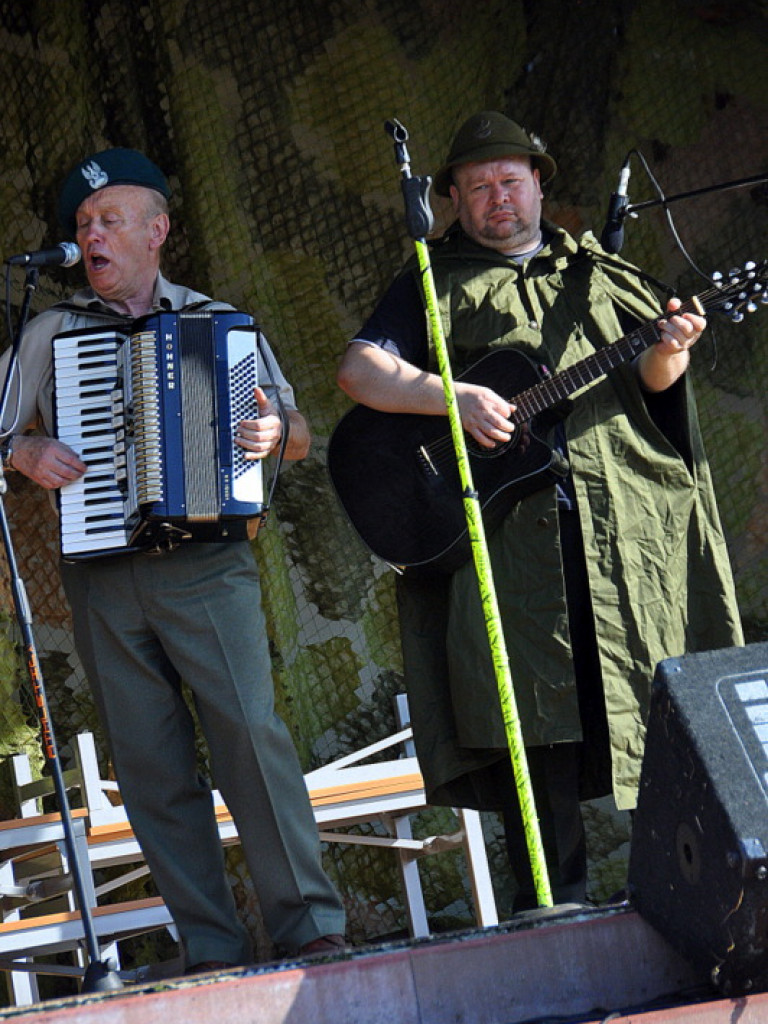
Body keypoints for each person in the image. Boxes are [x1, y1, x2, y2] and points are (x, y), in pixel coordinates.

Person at [336, 111, 743, 911]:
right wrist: (451, 397)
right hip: (513, 551)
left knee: (654, 710)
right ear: (454, 199)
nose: (498, 197)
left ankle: (693, 901)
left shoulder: (600, 274)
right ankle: (551, 915)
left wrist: (671, 348)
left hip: (620, 536)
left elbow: (653, 392)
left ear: (537, 186)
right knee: (536, 728)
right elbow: (359, 371)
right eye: (479, 185)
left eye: (510, 180)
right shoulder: (433, 281)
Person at [0, 148, 345, 972]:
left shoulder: (219, 321)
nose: (91, 236)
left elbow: (297, 430)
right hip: (102, 575)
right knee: (150, 765)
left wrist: (275, 434)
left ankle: (309, 925)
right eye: (83, 224)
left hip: (207, 564)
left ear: (156, 231)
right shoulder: (51, 331)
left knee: (250, 737)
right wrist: (24, 451)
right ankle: (212, 945)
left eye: (108, 221)